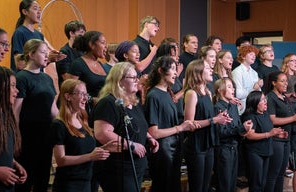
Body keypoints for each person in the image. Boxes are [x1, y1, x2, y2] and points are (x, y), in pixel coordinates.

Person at [92, 62, 159, 192]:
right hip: (118, 168)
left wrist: (149, 138)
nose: (137, 81)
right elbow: (102, 133)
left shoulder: (133, 102)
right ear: (119, 80)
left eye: (137, 77)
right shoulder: (108, 103)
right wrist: (132, 145)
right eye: (133, 77)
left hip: (136, 165)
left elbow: (138, 126)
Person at [51, 79, 116, 192]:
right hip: (69, 185)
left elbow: (83, 151)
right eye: (81, 94)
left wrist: (103, 149)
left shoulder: (83, 122)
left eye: (86, 94)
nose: (85, 98)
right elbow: (60, 160)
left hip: (87, 182)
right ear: (68, 96)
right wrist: (90, 156)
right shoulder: (59, 125)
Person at [13, 39, 58, 192]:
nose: (47, 56)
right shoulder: (22, 78)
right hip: (28, 135)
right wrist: (16, 136)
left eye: (47, 53)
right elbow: (15, 112)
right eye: (43, 53)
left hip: (45, 134)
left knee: (43, 178)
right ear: (31, 54)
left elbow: (53, 109)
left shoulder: (47, 78)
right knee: (26, 179)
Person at [144, 56, 195, 192]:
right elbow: (153, 132)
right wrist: (180, 128)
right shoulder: (153, 96)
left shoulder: (167, 93)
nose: (175, 73)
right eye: (172, 69)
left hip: (174, 148)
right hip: (163, 151)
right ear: (161, 71)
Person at [183, 59, 231, 192]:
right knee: (197, 186)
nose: (211, 69)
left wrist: (220, 117)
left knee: (206, 186)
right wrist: (215, 120)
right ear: (198, 72)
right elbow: (189, 124)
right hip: (196, 145)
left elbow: (209, 116)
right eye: (206, 67)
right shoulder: (192, 93)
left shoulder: (208, 92)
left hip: (208, 144)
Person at [265, 71, 296, 192]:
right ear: (274, 83)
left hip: (286, 139)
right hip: (276, 140)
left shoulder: (284, 97)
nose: (286, 84)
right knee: (273, 173)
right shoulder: (271, 97)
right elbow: (272, 119)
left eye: (286, 81)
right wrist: (293, 118)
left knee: (281, 173)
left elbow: (289, 117)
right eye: (282, 81)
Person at [212, 77, 252, 192]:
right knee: (224, 184)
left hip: (234, 148)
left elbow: (237, 126)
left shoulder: (233, 106)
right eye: (229, 87)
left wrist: (244, 130)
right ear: (220, 90)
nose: (233, 89)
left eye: (233, 87)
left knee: (232, 184)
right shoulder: (218, 108)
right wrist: (241, 129)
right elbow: (221, 132)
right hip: (224, 150)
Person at [241, 91, 283, 192]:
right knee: (256, 184)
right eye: (262, 100)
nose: (265, 102)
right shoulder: (250, 116)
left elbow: (268, 131)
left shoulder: (265, 114)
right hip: (255, 152)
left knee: (263, 183)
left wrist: (277, 133)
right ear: (255, 102)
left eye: (265, 99)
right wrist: (269, 134)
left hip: (266, 151)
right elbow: (250, 135)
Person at [10, 0, 65, 72]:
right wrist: (46, 58)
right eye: (35, 9)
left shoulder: (39, 35)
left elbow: (40, 65)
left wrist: (50, 59)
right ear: (25, 12)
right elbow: (19, 64)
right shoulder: (19, 33)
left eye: (40, 9)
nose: (39, 12)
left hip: (38, 77)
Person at [67, 30, 107, 113]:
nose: (106, 46)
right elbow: (69, 89)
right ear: (91, 45)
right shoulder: (78, 64)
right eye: (103, 43)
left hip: (100, 110)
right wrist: (91, 99)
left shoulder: (100, 64)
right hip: (83, 111)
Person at [232, 45, 262, 114]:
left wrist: (259, 86)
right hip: (243, 109)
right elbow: (238, 94)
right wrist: (253, 89)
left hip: (254, 108)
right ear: (243, 56)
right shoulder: (237, 72)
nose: (254, 56)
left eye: (254, 55)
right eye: (251, 54)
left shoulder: (254, 73)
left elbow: (257, 91)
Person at [56, 20, 85, 89]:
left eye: (84, 32)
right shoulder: (64, 52)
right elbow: (67, 78)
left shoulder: (84, 52)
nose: (84, 35)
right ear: (71, 33)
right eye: (81, 32)